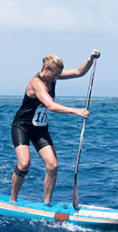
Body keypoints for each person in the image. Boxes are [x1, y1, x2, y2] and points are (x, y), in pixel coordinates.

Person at [10, 50, 100, 203]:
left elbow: (79, 72)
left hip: (40, 128)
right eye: (55, 74)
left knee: (53, 166)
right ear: (46, 68)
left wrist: (91, 59)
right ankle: (13, 200)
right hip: (22, 127)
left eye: (59, 74)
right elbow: (50, 106)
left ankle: (47, 204)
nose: (57, 78)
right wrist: (75, 110)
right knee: (24, 164)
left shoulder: (53, 77)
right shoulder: (36, 83)